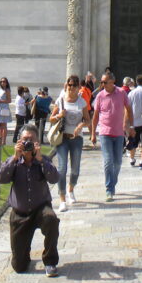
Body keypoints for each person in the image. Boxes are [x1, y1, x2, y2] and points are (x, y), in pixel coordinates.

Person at [0, 123, 60, 277]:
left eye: (31, 140)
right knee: (19, 266)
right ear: (19, 141)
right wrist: (15, 158)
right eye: (25, 140)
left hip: (40, 208)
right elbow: (1, 178)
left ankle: (50, 261)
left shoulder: (43, 160)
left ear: (37, 142)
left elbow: (54, 178)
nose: (28, 143)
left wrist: (40, 160)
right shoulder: (13, 161)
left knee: (51, 219)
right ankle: (24, 254)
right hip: (20, 213)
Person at [90, 71, 134, 201]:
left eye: (105, 82)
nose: (102, 84)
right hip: (104, 132)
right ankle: (109, 188)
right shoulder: (100, 96)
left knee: (118, 162)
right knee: (108, 161)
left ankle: (112, 183)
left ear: (112, 81)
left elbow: (129, 109)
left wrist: (131, 126)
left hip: (119, 132)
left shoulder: (121, 93)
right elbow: (96, 116)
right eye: (101, 82)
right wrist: (93, 133)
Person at [49, 74, 91, 211]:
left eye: (74, 85)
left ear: (79, 87)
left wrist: (81, 126)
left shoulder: (82, 102)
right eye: (69, 85)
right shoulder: (60, 100)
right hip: (63, 139)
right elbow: (51, 119)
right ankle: (62, 199)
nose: (71, 88)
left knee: (75, 170)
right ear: (66, 85)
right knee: (62, 169)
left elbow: (87, 120)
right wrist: (58, 115)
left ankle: (71, 189)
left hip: (76, 139)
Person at [0, 77, 12, 146]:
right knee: (0, 125)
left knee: (4, 125)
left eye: (4, 81)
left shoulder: (7, 90)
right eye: (1, 81)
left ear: (6, 82)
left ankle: (4, 141)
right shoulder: (0, 90)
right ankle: (0, 140)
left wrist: (1, 101)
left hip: (4, 108)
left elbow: (9, 100)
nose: (3, 83)